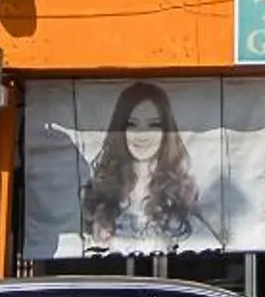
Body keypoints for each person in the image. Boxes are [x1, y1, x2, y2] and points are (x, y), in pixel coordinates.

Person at [81, 81, 218, 248]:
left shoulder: (181, 201)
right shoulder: (100, 197)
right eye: (132, 124)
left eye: (153, 125)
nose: (142, 134)